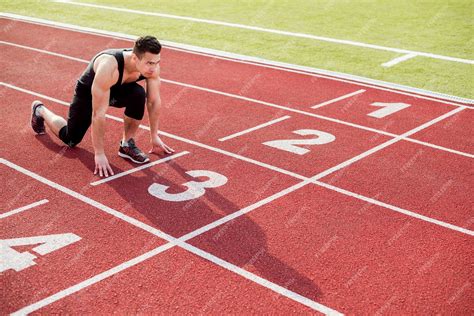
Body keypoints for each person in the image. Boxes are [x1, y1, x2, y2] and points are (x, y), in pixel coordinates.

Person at [30, 35, 174, 177]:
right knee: (71, 139)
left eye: (157, 62)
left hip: (118, 88)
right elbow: (98, 114)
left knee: (138, 94)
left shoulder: (152, 67)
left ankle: (127, 144)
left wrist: (154, 135)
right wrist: (99, 153)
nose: (154, 67)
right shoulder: (109, 66)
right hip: (88, 92)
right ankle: (40, 110)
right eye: (150, 63)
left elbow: (153, 102)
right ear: (135, 58)